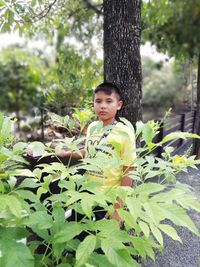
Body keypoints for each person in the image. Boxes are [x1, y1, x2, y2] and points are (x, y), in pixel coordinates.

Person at [59, 82, 136, 224]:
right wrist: (68, 154)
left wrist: (118, 209)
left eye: (109, 101)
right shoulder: (93, 127)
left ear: (118, 105)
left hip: (108, 198)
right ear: (93, 104)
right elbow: (89, 152)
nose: (103, 106)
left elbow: (129, 169)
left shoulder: (124, 132)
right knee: (80, 235)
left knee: (103, 242)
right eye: (98, 101)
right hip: (86, 193)